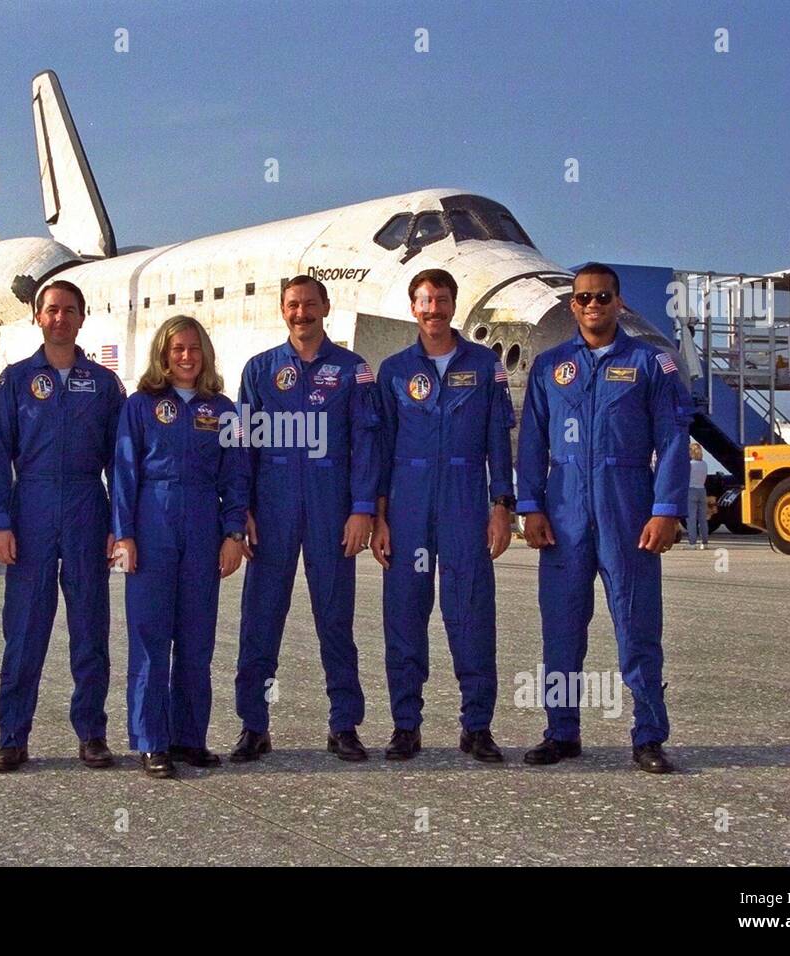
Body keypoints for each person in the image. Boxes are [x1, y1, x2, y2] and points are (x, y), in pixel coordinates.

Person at [516, 263, 694, 774]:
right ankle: (561, 732)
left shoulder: (650, 364)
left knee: (637, 628)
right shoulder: (550, 367)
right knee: (562, 630)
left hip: (628, 508)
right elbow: (532, 443)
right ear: (573, 305)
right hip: (565, 510)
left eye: (602, 297)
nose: (593, 305)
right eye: (584, 298)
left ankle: (648, 735)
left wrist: (665, 510)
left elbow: (673, 441)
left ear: (619, 302)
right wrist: (530, 507)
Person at [231, 275, 380, 762]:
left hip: (331, 507)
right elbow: (242, 446)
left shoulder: (353, 370)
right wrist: (243, 509)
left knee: (335, 620)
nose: (301, 313)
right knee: (261, 619)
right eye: (293, 306)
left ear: (326, 307)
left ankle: (344, 724)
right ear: (282, 310)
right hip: (271, 508)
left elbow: (366, 446)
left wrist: (362, 509)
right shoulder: (259, 370)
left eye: (310, 305)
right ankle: (254, 725)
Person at [369, 269, 516, 763]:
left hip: (464, 505)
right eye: (425, 301)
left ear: (454, 305)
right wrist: (380, 519)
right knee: (405, 617)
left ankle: (477, 727)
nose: (434, 309)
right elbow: (380, 449)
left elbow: (499, 440)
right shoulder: (392, 370)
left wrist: (502, 508)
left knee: (471, 615)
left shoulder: (486, 365)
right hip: (407, 506)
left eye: (442, 300)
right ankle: (405, 726)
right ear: (413, 308)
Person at [0, 279, 126, 772]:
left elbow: (120, 462)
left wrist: (116, 523)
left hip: (88, 504)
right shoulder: (16, 381)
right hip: (32, 508)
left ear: (83, 318)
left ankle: (91, 733)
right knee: (24, 629)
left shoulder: (105, 385)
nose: (60, 318)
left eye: (69, 310)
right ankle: (12, 736)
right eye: (52, 310)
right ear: (37, 318)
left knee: (90, 627)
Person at [112, 315, 249, 779]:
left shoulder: (225, 410)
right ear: (164, 355)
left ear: (205, 354)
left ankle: (190, 737)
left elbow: (236, 477)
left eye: (194, 349)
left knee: (196, 638)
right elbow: (124, 473)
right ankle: (152, 741)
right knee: (150, 636)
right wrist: (124, 534)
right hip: (152, 519)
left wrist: (233, 534)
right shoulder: (140, 406)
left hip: (203, 521)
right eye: (177, 349)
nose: (187, 357)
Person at [686, 442, 709, 550]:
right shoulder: (704, 464)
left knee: (691, 519)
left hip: (691, 490)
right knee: (702, 519)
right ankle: (705, 542)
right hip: (702, 490)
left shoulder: (690, 465)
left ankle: (692, 543)